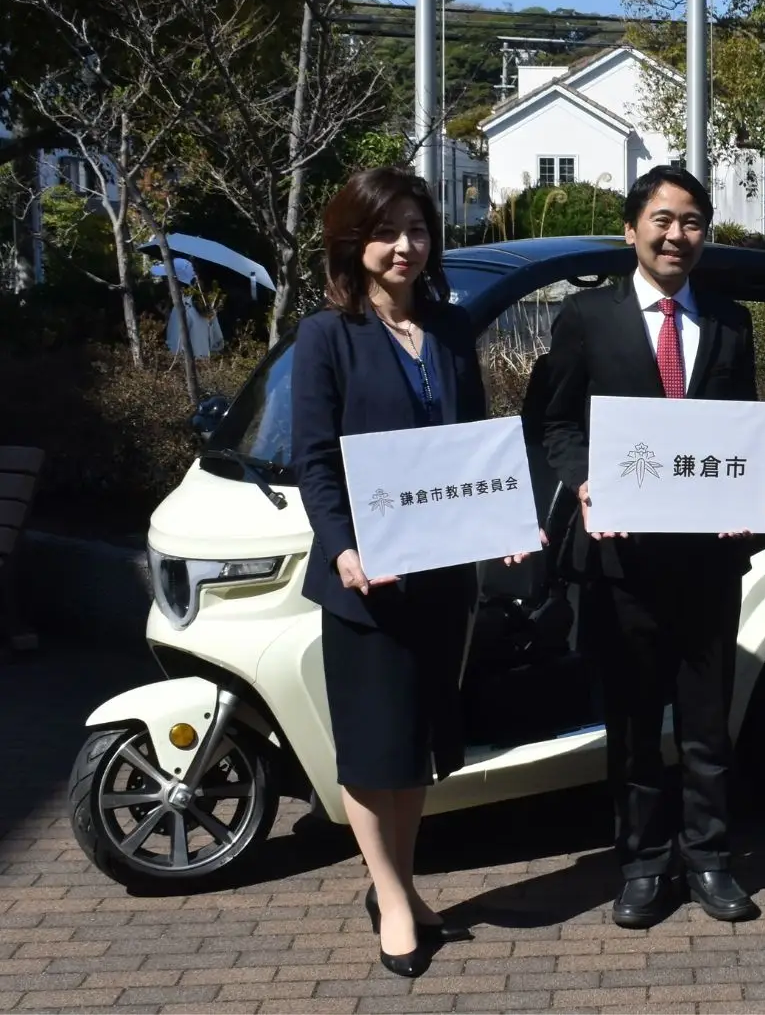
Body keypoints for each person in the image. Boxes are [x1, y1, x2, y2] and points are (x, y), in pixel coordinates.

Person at [535, 164, 763, 929]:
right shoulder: (586, 318)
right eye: (662, 220)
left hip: (707, 560)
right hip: (621, 558)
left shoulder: (730, 322)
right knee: (632, 724)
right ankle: (641, 863)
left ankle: (711, 859)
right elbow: (556, 422)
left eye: (692, 221)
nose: (677, 236)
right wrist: (582, 481)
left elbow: (739, 431)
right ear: (631, 229)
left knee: (706, 721)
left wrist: (746, 496)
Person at [291, 167, 486, 978]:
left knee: (416, 747)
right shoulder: (326, 336)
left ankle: (399, 884)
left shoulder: (451, 328)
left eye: (416, 229)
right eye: (385, 231)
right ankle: (392, 897)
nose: (404, 246)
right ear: (353, 241)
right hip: (366, 582)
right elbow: (314, 461)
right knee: (374, 751)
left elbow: (474, 447)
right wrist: (343, 546)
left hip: (440, 576)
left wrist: (500, 522)